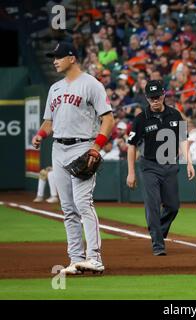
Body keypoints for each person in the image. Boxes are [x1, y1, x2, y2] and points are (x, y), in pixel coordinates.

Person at [31, 42, 115, 275]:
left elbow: (108, 119)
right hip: (58, 148)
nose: (54, 61)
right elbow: (49, 121)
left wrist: (96, 148)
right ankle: (76, 260)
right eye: (53, 57)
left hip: (83, 146)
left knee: (82, 203)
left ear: (72, 58)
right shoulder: (54, 88)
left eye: (58, 56)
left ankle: (95, 258)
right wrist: (40, 134)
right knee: (67, 208)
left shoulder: (91, 84)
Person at [126, 80, 195, 256]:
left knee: (173, 207)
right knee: (153, 205)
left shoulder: (175, 115)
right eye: (151, 98)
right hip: (149, 166)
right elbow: (131, 146)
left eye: (157, 97)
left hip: (170, 165)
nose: (155, 101)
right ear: (147, 98)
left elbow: (183, 139)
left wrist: (188, 162)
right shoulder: (141, 118)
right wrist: (131, 172)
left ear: (164, 95)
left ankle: (158, 232)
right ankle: (158, 244)